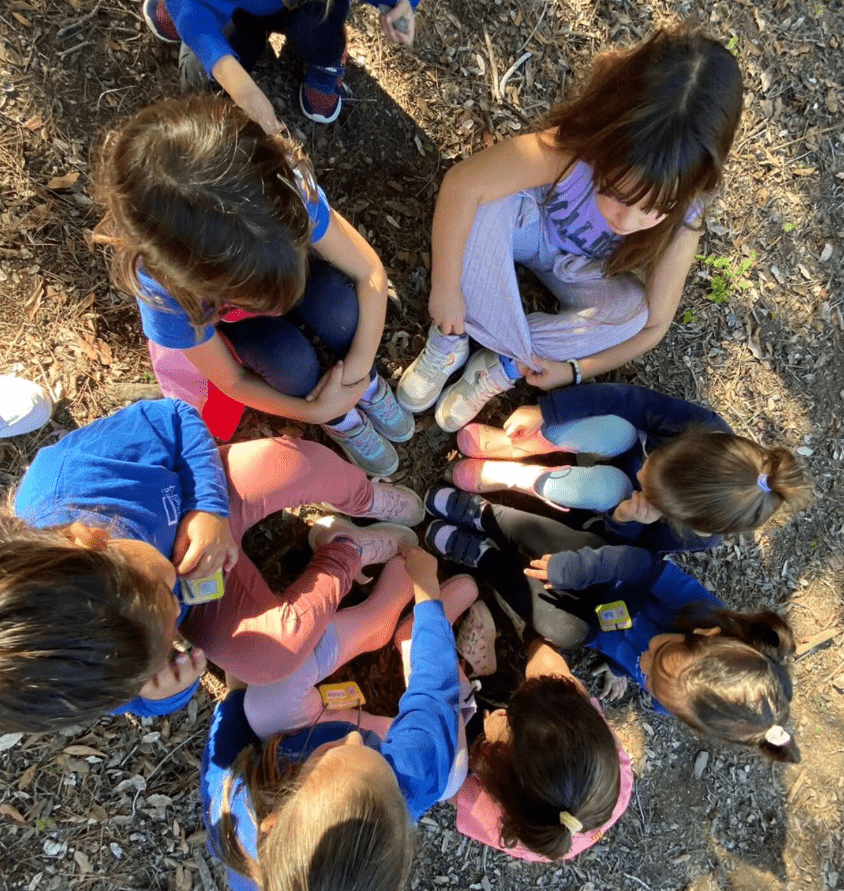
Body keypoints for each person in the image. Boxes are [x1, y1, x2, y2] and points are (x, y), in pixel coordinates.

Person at [0, 397, 423, 732]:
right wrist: (165, 692)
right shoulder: (71, 672)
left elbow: (175, 417)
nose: (173, 606)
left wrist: (207, 507)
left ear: (88, 538)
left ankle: (362, 496)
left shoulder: (72, 475)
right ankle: (345, 548)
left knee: (294, 465)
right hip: (202, 599)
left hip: (205, 503)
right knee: (270, 658)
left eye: (160, 590)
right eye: (169, 636)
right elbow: (136, 694)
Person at [398, 23, 743, 432]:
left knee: (631, 313)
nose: (625, 221)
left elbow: (653, 326)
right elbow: (463, 183)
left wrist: (574, 369)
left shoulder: (686, 212)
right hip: (528, 222)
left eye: (653, 209)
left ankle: (504, 362)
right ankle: (452, 336)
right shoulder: (576, 149)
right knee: (486, 205)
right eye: (614, 192)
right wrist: (446, 288)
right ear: (609, 134)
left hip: (581, 270)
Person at [93, 94, 411, 476]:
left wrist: (358, 369)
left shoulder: (285, 193)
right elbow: (232, 379)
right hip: (240, 328)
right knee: (289, 362)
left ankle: (367, 385)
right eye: (248, 295)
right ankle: (339, 418)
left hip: (296, 280)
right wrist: (315, 411)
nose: (278, 310)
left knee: (338, 309)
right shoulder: (166, 290)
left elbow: (369, 272)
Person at [423, 491, 800, 762]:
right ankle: (487, 515)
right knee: (558, 542)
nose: (645, 660)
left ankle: (486, 558)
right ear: (706, 636)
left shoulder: (675, 695)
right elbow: (640, 565)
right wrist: (575, 570)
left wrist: (619, 668)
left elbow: (643, 667)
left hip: (600, 626)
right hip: (606, 571)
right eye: (658, 651)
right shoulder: (702, 612)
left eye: (648, 677)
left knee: (558, 627)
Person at [201, 548, 469, 891]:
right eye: (377, 758)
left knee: (260, 698)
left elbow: (223, 752)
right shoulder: (406, 780)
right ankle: (402, 631)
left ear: (273, 820)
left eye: (329, 754)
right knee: (450, 772)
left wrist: (238, 693)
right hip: (401, 756)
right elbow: (433, 694)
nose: (355, 737)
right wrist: (428, 593)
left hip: (295, 736)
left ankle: (374, 620)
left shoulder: (235, 820)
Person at [449, 383, 813, 552]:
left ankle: (520, 478)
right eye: (653, 462)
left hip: (613, 490)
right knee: (617, 427)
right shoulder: (704, 429)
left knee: (610, 489)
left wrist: (624, 520)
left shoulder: (695, 535)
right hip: (619, 439)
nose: (642, 473)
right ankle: (524, 443)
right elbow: (629, 400)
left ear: (684, 520)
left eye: (654, 492)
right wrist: (548, 411)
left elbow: (637, 547)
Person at [456, 636, 632, 862]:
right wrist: (537, 647)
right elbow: (548, 664)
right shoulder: (613, 777)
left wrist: (492, 735)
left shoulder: (495, 818)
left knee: (459, 748)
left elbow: (451, 788)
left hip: (495, 772)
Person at [141, 0, 417, 128]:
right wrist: (246, 93)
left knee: (316, 33)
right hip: (237, 11)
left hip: (310, 10)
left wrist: (403, 4)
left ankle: (326, 56)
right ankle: (193, 12)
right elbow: (195, 22)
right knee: (200, 80)